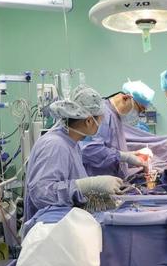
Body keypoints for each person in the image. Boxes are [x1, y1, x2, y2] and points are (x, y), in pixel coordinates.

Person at [24, 85, 124, 221]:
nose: (101, 125)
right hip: (51, 228)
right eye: (100, 120)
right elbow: (41, 194)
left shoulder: (72, 143)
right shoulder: (55, 145)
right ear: (89, 121)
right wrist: (88, 185)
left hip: (66, 224)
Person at [80, 80, 153, 179]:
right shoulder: (103, 115)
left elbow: (111, 149)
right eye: (139, 110)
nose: (138, 114)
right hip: (99, 182)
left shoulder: (116, 116)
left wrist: (133, 154)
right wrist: (126, 157)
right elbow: (89, 150)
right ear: (126, 98)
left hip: (113, 180)